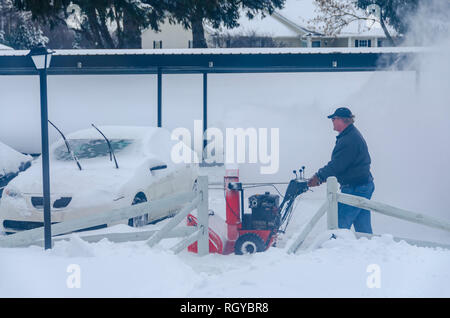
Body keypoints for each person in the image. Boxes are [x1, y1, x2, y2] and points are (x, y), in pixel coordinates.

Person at [307, 107, 375, 234]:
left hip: (357, 188)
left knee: (339, 226)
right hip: (362, 185)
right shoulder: (349, 135)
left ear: (343, 120)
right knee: (363, 229)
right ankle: (369, 250)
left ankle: (335, 250)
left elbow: (337, 165)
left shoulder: (349, 140)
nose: (332, 121)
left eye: (334, 119)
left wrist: (319, 177)